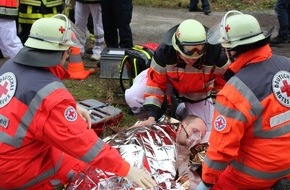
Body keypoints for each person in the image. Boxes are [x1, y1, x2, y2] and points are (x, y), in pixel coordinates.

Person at [0, 14, 157, 189]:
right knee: (81, 167)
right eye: (68, 50)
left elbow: (27, 102)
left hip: (11, 151)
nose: (68, 55)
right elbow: (82, 142)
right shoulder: (51, 98)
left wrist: (72, 106)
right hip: (13, 172)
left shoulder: (10, 66)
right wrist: (126, 169)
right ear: (59, 51)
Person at [197, 10, 290, 189]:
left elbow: (220, 152)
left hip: (255, 176)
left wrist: (206, 182)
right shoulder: (287, 64)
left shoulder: (235, 92)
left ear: (232, 50)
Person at [125, 19, 229, 135]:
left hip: (196, 93)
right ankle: (153, 123)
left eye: (200, 48)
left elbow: (224, 86)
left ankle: (179, 110)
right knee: (133, 96)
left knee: (205, 131)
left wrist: (223, 111)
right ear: (177, 46)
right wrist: (151, 117)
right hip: (167, 82)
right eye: (189, 50)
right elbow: (155, 85)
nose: (194, 56)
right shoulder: (164, 52)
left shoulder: (216, 54)